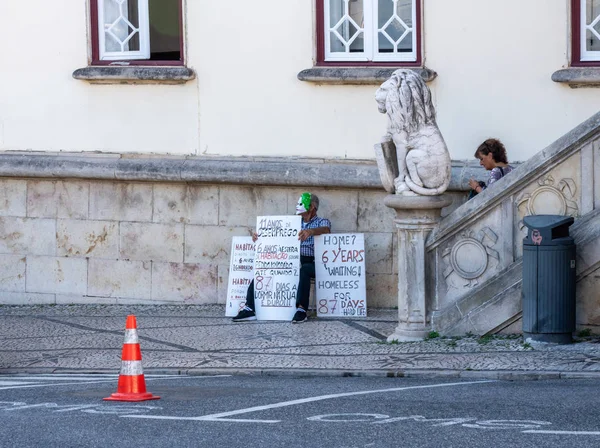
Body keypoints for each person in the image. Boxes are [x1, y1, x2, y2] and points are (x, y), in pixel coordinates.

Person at [232, 192, 331, 323]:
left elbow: (326, 230)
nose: (297, 205)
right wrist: (259, 237)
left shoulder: (322, 222)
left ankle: (301, 309)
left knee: (304, 270)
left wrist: (311, 232)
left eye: (301, 203)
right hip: (289, 258)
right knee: (264, 268)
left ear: (312, 206)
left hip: (310, 260)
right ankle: (249, 307)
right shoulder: (292, 223)